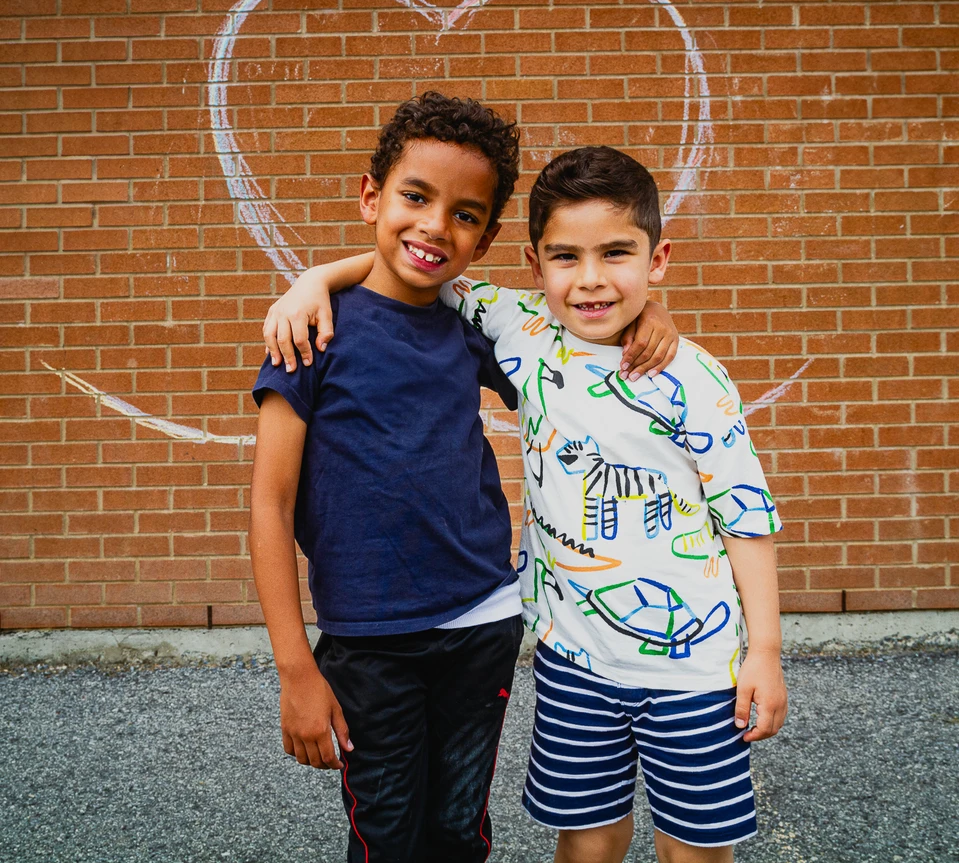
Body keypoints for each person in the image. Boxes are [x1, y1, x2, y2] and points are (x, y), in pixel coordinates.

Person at [265, 145, 787, 863]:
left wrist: (763, 650)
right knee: (587, 839)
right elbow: (417, 267)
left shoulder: (693, 379)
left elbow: (745, 517)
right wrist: (313, 278)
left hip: (696, 669)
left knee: (694, 848)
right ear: (535, 265)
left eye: (616, 254)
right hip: (573, 659)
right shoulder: (521, 330)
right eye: (566, 257)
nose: (592, 278)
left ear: (655, 258)